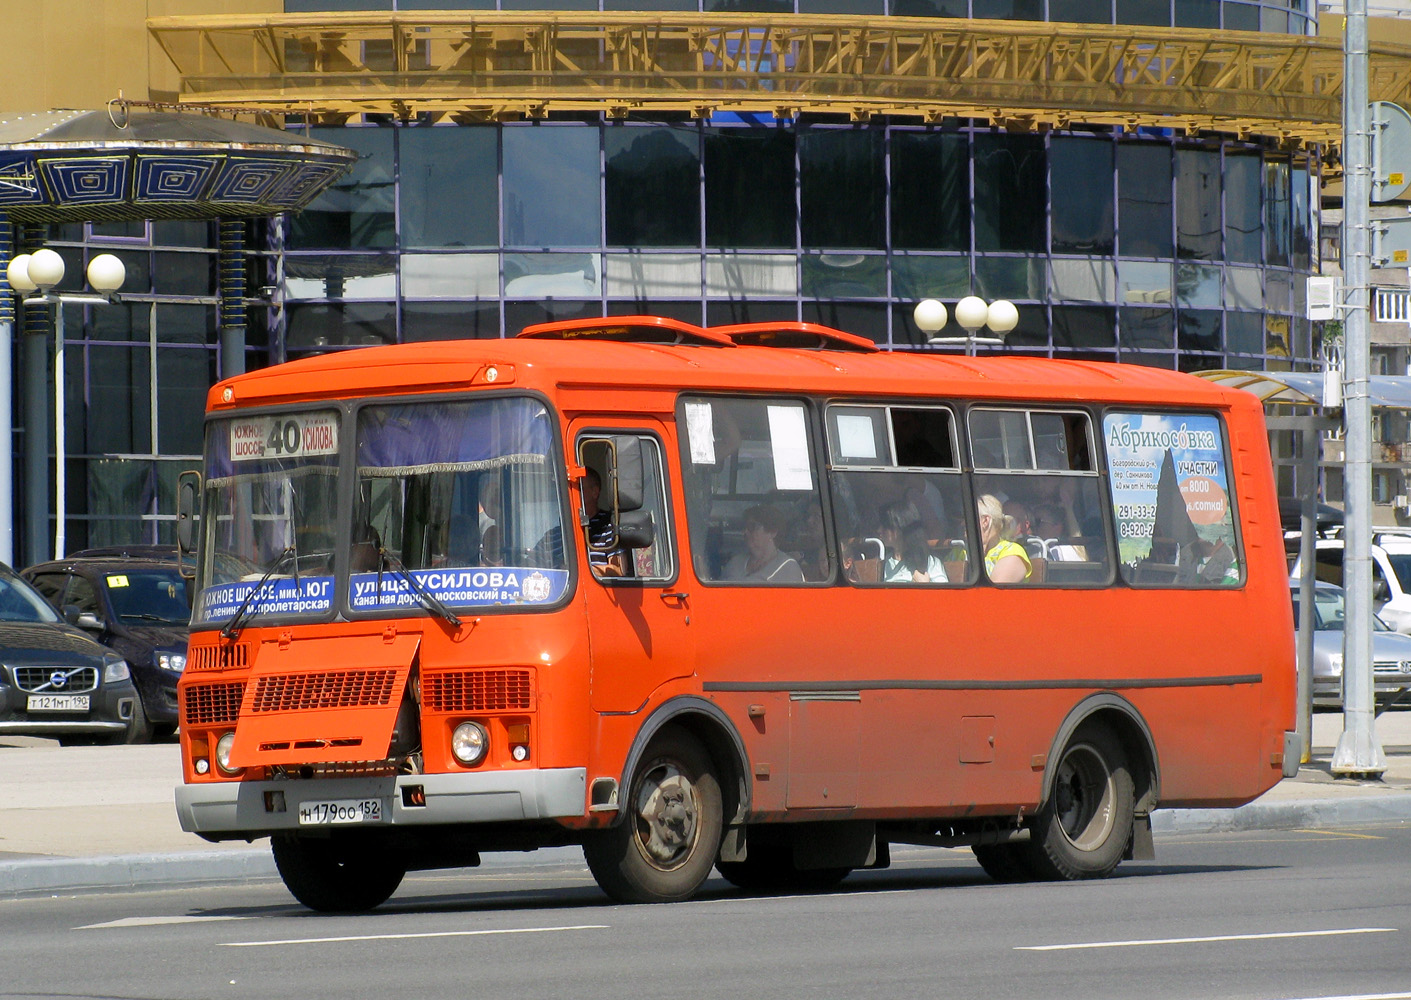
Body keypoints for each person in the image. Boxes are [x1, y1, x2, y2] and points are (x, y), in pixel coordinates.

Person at [724, 504, 804, 583]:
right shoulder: (735, 563)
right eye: (745, 527)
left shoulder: (788, 567)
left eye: (752, 526)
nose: (745, 532)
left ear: (773, 531)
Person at [878, 500, 947, 583]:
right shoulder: (883, 563)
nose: (879, 530)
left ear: (900, 528)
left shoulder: (931, 563)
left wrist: (925, 586)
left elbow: (945, 594)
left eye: (885, 526)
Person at [978, 493, 1031, 583]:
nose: (963, 524)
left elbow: (992, 593)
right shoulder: (961, 552)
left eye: (966, 518)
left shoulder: (1011, 551)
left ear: (985, 521)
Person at [582, 467, 624, 577]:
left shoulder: (610, 525)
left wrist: (578, 571)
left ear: (594, 492)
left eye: (579, 488)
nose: (570, 494)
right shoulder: (557, 532)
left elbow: (618, 570)